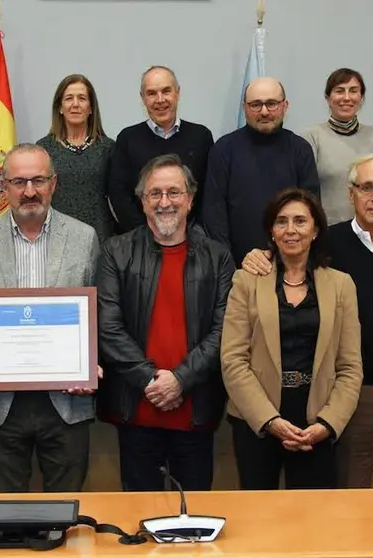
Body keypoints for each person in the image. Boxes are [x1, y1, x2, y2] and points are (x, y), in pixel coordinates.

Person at [240, 153, 373, 489]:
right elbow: (286, 252)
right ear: (351, 194)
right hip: (349, 393)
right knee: (348, 496)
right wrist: (258, 254)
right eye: (366, 187)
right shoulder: (328, 243)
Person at [0, 143, 100, 493]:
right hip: (0, 401)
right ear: (4, 186)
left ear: (54, 183)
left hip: (67, 399)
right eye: (19, 182)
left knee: (66, 514)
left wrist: (92, 363)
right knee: (6, 515)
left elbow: (98, 311)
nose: (29, 191)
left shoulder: (84, 238)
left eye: (38, 180)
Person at [97, 154, 234, 492]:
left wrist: (180, 381)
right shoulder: (116, 251)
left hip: (195, 410)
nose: (164, 202)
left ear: (190, 199)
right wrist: (152, 381)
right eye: (154, 194)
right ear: (142, 201)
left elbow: (225, 330)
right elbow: (108, 327)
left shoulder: (218, 257)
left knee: (196, 522)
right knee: (142, 520)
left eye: (174, 192)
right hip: (137, 410)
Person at [221, 188, 362, 490]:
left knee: (314, 522)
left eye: (300, 221)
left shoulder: (341, 285)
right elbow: (233, 360)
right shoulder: (245, 281)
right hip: (257, 418)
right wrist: (270, 421)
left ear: (316, 229)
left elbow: (350, 367)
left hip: (317, 418)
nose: (291, 230)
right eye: (281, 221)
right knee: (258, 519)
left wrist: (326, 424)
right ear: (271, 232)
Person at [203, 77, 320, 267]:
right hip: (237, 265)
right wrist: (228, 262)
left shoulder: (300, 149)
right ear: (244, 108)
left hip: (290, 264)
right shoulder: (224, 149)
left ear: (285, 105)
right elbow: (214, 213)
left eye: (271, 104)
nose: (264, 111)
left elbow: (311, 210)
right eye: (256, 104)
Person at [108, 66, 214, 233]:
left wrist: (188, 233)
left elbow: (208, 192)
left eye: (166, 91)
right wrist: (146, 234)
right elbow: (118, 193)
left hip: (190, 240)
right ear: (142, 98)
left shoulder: (201, 137)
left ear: (177, 93)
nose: (160, 99)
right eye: (151, 93)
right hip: (140, 241)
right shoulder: (127, 139)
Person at [37, 74, 115, 243]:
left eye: (82, 98)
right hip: (57, 238)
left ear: (91, 108)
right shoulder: (44, 148)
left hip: (101, 236)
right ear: (60, 107)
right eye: (68, 99)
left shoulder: (108, 147)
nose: (75, 105)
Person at [302, 68, 373, 225]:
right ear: (328, 97)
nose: (346, 98)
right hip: (325, 231)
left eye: (353, 91)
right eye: (339, 91)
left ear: (361, 98)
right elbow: (304, 192)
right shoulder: (311, 137)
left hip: (367, 230)